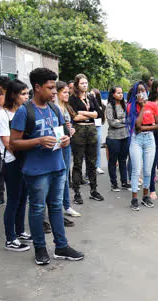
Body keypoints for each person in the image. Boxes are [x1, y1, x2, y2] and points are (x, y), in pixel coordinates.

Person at [10, 67, 84, 265]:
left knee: (56, 207)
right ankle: (40, 249)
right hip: (37, 171)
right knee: (36, 209)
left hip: (58, 166)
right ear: (37, 87)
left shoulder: (54, 109)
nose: (54, 92)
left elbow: (61, 133)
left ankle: (61, 246)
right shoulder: (25, 112)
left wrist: (66, 139)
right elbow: (13, 143)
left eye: (54, 87)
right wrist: (38, 141)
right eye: (50, 88)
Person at [0, 79, 33, 251]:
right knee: (13, 200)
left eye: (27, 93)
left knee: (23, 198)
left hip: (25, 160)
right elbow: (7, 143)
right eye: (23, 94)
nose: (26, 97)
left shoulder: (24, 111)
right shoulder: (3, 114)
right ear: (13, 95)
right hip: (13, 161)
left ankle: (20, 231)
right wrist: (21, 157)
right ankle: (10, 238)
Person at [69, 73, 104, 204]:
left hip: (92, 130)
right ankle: (77, 192)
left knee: (92, 162)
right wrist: (91, 114)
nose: (85, 85)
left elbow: (99, 113)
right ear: (77, 85)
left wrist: (83, 112)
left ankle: (93, 190)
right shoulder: (73, 98)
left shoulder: (90, 96)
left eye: (86, 83)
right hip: (79, 130)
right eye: (82, 83)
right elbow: (74, 117)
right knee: (78, 162)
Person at [127, 82, 158, 211]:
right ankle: (134, 197)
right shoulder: (131, 106)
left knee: (148, 170)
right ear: (135, 93)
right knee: (136, 169)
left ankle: (145, 196)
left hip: (149, 139)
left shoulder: (153, 105)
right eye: (138, 90)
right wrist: (141, 106)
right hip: (136, 139)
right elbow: (136, 126)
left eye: (143, 90)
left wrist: (145, 127)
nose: (141, 93)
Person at [55, 81, 81, 220]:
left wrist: (71, 130)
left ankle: (66, 205)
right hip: (60, 145)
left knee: (65, 176)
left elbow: (67, 125)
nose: (67, 94)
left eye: (67, 92)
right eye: (64, 92)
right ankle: (61, 207)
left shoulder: (65, 107)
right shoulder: (55, 108)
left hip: (66, 143)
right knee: (61, 177)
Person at [105, 86, 130, 192]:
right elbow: (112, 123)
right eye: (118, 93)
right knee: (113, 161)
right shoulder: (110, 106)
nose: (121, 94)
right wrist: (123, 122)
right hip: (113, 137)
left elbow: (129, 119)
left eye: (121, 92)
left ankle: (124, 182)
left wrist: (120, 121)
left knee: (123, 160)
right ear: (113, 94)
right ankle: (114, 183)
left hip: (125, 136)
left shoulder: (125, 104)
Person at [91, 88, 105, 174]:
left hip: (98, 126)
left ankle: (98, 166)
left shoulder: (102, 105)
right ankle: (91, 168)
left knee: (98, 148)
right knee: (90, 149)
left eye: (93, 95)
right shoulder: (88, 104)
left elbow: (102, 117)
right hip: (90, 126)